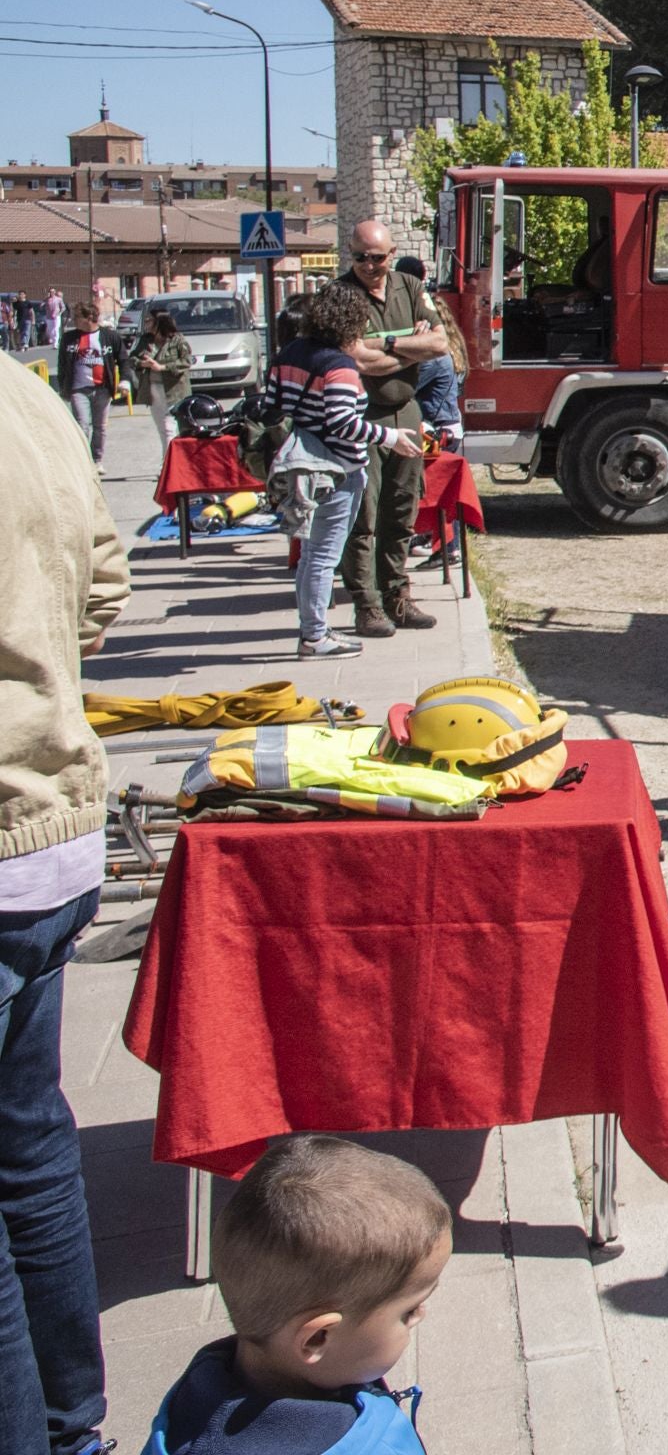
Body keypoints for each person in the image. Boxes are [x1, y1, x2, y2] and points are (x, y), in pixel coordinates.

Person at [0, 334, 128, 1455]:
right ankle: (71, 1423)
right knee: (31, 1143)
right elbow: (107, 579)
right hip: (49, 820)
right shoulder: (23, 394)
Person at [145, 1135, 451, 1455]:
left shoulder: (190, 1407)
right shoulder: (364, 1446)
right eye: (408, 1311)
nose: (421, 1314)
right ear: (317, 1338)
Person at [273, 286, 421, 661]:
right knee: (324, 556)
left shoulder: (290, 353)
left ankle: (313, 628)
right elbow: (342, 423)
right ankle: (315, 636)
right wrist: (389, 436)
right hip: (336, 470)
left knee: (309, 556)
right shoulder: (338, 366)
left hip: (302, 463)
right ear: (351, 324)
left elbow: (278, 403)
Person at [334, 223, 448, 641]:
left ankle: (398, 596)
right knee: (363, 516)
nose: (368, 265)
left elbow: (439, 344)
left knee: (402, 511)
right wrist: (404, 343)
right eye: (360, 257)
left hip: (405, 409)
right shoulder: (340, 294)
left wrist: (381, 345)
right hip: (361, 416)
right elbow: (355, 359)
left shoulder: (410, 285)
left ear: (392, 253)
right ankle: (367, 605)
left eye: (377, 258)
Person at [387, 257, 466, 452]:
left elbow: (404, 387)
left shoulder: (435, 358)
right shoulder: (452, 350)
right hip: (446, 427)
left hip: (438, 431)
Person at [130, 311, 194, 461]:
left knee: (170, 428)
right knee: (163, 429)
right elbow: (132, 358)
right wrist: (141, 363)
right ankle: (170, 463)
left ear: (159, 323)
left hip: (175, 390)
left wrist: (162, 367)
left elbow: (187, 361)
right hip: (154, 389)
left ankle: (169, 464)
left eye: (149, 321)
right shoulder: (146, 340)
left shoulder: (177, 340)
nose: (146, 324)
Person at [51, 318, 107, 466]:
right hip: (78, 388)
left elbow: (121, 359)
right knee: (82, 425)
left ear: (89, 319)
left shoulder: (108, 336)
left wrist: (123, 380)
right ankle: (84, 460)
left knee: (100, 426)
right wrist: (64, 386)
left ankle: (97, 459)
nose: (75, 321)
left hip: (102, 389)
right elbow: (62, 363)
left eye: (78, 317)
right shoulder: (70, 338)